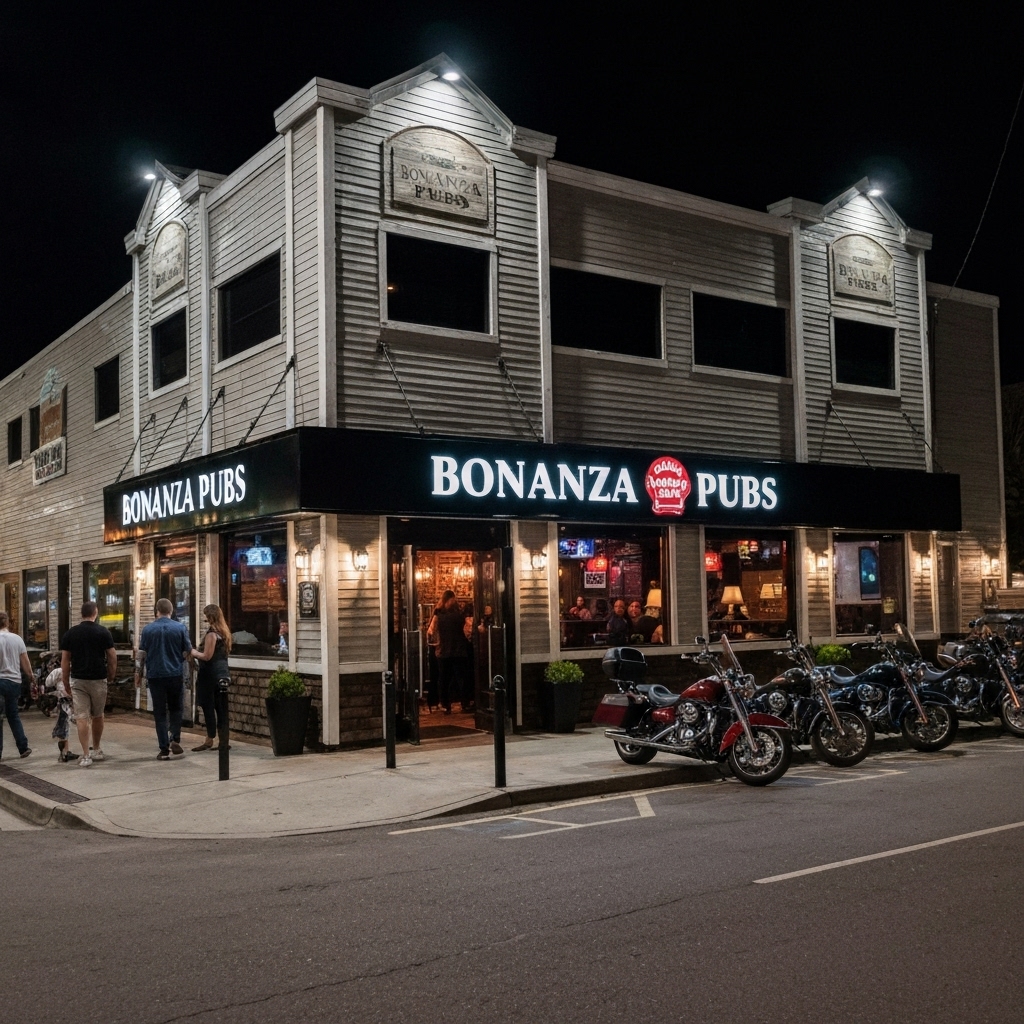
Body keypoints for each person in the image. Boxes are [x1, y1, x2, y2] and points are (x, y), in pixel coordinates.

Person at [60, 601, 116, 767]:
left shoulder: (70, 634)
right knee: (98, 714)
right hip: (98, 678)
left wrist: (65, 681)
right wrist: (111, 674)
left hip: (78, 679)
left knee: (82, 717)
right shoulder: (103, 632)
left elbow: (65, 660)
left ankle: (85, 755)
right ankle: (96, 749)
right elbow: (112, 656)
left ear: (81, 614)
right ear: (95, 613)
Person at [137, 598, 192, 760]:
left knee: (160, 712)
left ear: (157, 611)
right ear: (171, 611)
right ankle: (175, 738)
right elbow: (187, 652)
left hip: (155, 675)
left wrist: (138, 674)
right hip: (175, 674)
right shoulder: (180, 628)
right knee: (176, 709)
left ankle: (163, 748)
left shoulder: (147, 630)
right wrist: (186, 673)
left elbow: (142, 654)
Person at [190, 604, 232, 751]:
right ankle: (223, 740)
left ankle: (209, 739)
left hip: (209, 676)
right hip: (222, 674)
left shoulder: (211, 634)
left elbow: (207, 656)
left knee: (208, 707)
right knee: (221, 708)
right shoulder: (224, 633)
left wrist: (193, 652)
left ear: (209, 617)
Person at [0, 611, 32, 760]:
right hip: (14, 682)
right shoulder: (17, 639)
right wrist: (31, 677)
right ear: (7, 622)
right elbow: (25, 662)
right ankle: (23, 747)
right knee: (13, 715)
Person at [433, 590, 464, 714]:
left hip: (444, 651)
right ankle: (463, 702)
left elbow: (431, 632)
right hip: (457, 650)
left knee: (444, 678)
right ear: (450, 599)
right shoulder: (459, 615)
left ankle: (445, 704)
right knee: (458, 677)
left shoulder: (438, 614)